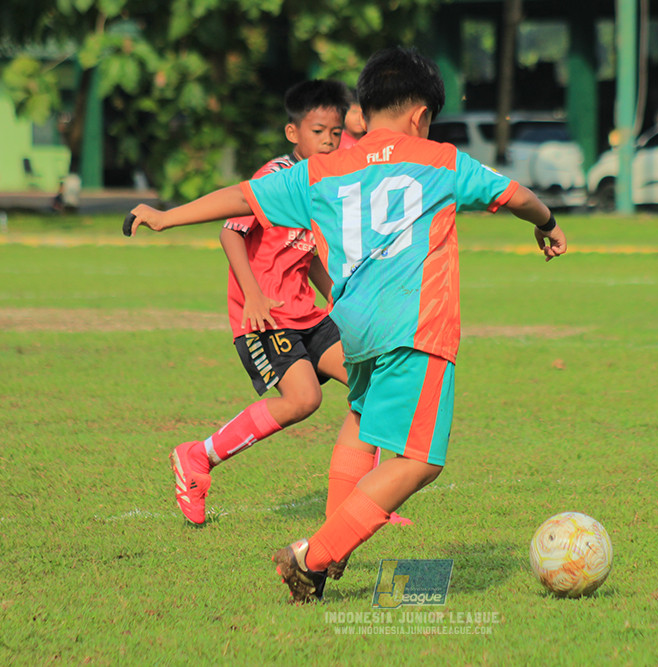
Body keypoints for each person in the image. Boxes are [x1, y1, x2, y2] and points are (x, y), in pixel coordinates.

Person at [124, 46, 567, 603]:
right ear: (420, 116)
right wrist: (547, 223)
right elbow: (517, 196)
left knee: (361, 419)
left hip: (351, 326)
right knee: (420, 460)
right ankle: (313, 555)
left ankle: (339, 533)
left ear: (366, 108)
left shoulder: (324, 169)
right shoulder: (442, 160)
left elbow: (241, 197)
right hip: (414, 324)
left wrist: (166, 217)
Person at [166, 79, 350, 527]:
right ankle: (197, 458)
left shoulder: (325, 183)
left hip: (308, 311)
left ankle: (365, 503)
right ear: (293, 133)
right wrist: (253, 296)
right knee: (303, 399)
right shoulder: (275, 179)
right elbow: (230, 232)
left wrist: (339, 298)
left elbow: (306, 256)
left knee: (371, 381)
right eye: (319, 131)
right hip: (265, 316)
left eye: (336, 132)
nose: (329, 141)